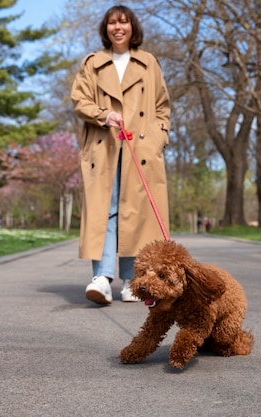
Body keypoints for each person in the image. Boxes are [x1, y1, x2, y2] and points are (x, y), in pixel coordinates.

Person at [70, 5, 171, 305]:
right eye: (112, 23)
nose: (118, 28)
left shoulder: (148, 62)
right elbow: (79, 100)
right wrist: (104, 115)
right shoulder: (92, 63)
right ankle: (101, 278)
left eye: (123, 22)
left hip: (140, 149)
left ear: (132, 27)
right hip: (105, 147)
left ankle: (132, 281)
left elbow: (162, 105)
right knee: (107, 209)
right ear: (106, 29)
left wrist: (158, 138)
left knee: (135, 212)